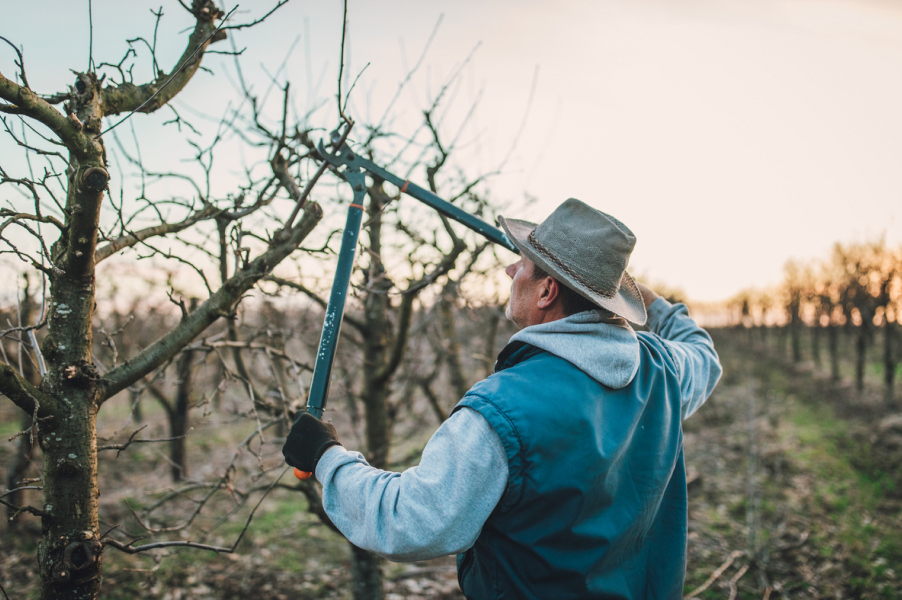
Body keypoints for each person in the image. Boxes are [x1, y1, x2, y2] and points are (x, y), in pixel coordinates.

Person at [283, 198, 722, 599]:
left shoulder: (503, 410)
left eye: (523, 264)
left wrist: (325, 457)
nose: (511, 272)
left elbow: (410, 521)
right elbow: (704, 354)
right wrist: (649, 300)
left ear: (547, 291)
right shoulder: (664, 368)